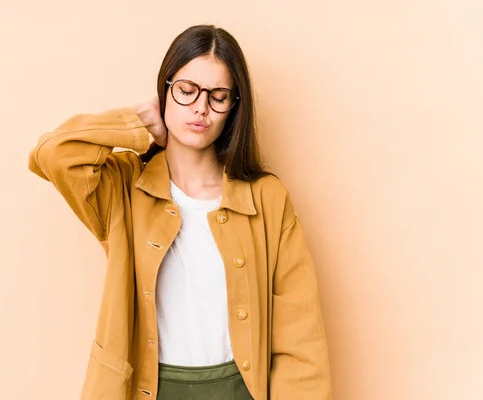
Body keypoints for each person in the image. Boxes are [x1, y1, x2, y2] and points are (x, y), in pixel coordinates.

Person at [28, 24, 332, 400]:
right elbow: (52, 154)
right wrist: (136, 125)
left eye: (218, 96)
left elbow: (300, 339)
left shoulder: (267, 198)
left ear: (234, 107)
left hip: (241, 391)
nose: (201, 108)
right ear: (165, 89)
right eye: (187, 91)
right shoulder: (123, 189)